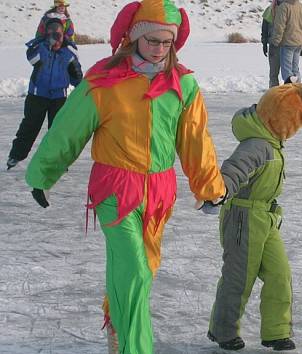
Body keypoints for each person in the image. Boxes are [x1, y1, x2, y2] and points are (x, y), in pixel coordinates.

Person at [24, 1, 227, 353]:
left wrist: (209, 187)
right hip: (115, 190)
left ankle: (117, 323)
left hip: (160, 193)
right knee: (133, 269)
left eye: (168, 42)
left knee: (143, 269)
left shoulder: (183, 84)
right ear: (134, 38)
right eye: (152, 40)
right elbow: (68, 130)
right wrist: (43, 173)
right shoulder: (105, 81)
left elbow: (195, 139)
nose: (161, 48)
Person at [206, 80, 302, 351]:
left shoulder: (271, 140)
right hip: (243, 219)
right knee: (239, 278)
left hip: (266, 219)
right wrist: (219, 191)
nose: (299, 126)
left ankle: (276, 331)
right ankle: (222, 330)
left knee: (280, 273)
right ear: (282, 118)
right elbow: (235, 170)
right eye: (298, 119)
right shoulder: (257, 145)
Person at [7, 18, 82, 170]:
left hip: (58, 98)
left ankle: (58, 161)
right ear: (47, 35)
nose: (56, 39)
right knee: (29, 127)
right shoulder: (39, 47)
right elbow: (33, 59)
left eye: (59, 35)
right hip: (37, 96)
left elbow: (77, 77)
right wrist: (47, 45)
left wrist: (83, 90)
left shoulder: (68, 53)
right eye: (53, 35)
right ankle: (16, 155)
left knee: (58, 130)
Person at [269, 0, 302, 82]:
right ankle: (298, 89)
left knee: (287, 71)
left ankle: (290, 90)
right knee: (295, 69)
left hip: (288, 43)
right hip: (299, 44)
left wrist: (275, 42)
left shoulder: (284, 7)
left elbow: (279, 27)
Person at [261, 0, 282, 87]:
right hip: (277, 45)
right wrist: (264, 43)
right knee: (275, 74)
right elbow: (264, 29)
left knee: (275, 74)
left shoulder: (289, 9)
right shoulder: (269, 10)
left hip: (285, 45)